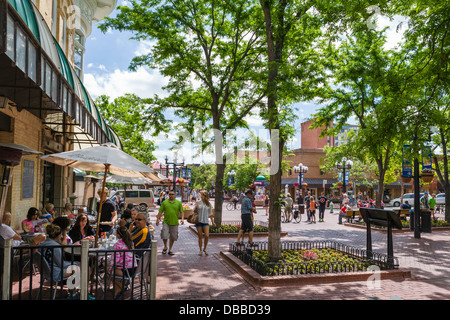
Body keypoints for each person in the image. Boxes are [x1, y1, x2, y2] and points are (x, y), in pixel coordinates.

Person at [108, 226, 138, 300]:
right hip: (134, 269)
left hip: (126, 270)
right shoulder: (130, 242)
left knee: (108, 270)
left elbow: (115, 261)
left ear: (118, 235)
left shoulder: (117, 245)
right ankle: (117, 290)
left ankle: (121, 286)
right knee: (112, 269)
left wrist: (109, 265)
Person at [156, 191, 184, 256]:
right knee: (164, 235)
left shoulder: (178, 203)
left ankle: (170, 249)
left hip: (174, 222)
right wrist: (157, 219)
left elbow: (182, 211)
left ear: (175, 195)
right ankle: (165, 246)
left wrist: (182, 219)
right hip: (166, 222)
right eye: (170, 194)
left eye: (172, 194)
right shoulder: (165, 202)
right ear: (168, 195)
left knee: (172, 237)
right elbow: (160, 211)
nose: (171, 195)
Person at [194, 190, 215, 256]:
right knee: (200, 236)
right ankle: (200, 250)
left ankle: (205, 248)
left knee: (207, 235)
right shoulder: (198, 202)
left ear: (205, 196)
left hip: (206, 221)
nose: (201, 196)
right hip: (199, 221)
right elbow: (194, 211)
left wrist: (213, 222)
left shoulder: (209, 204)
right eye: (201, 195)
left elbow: (211, 214)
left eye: (202, 195)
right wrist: (196, 208)